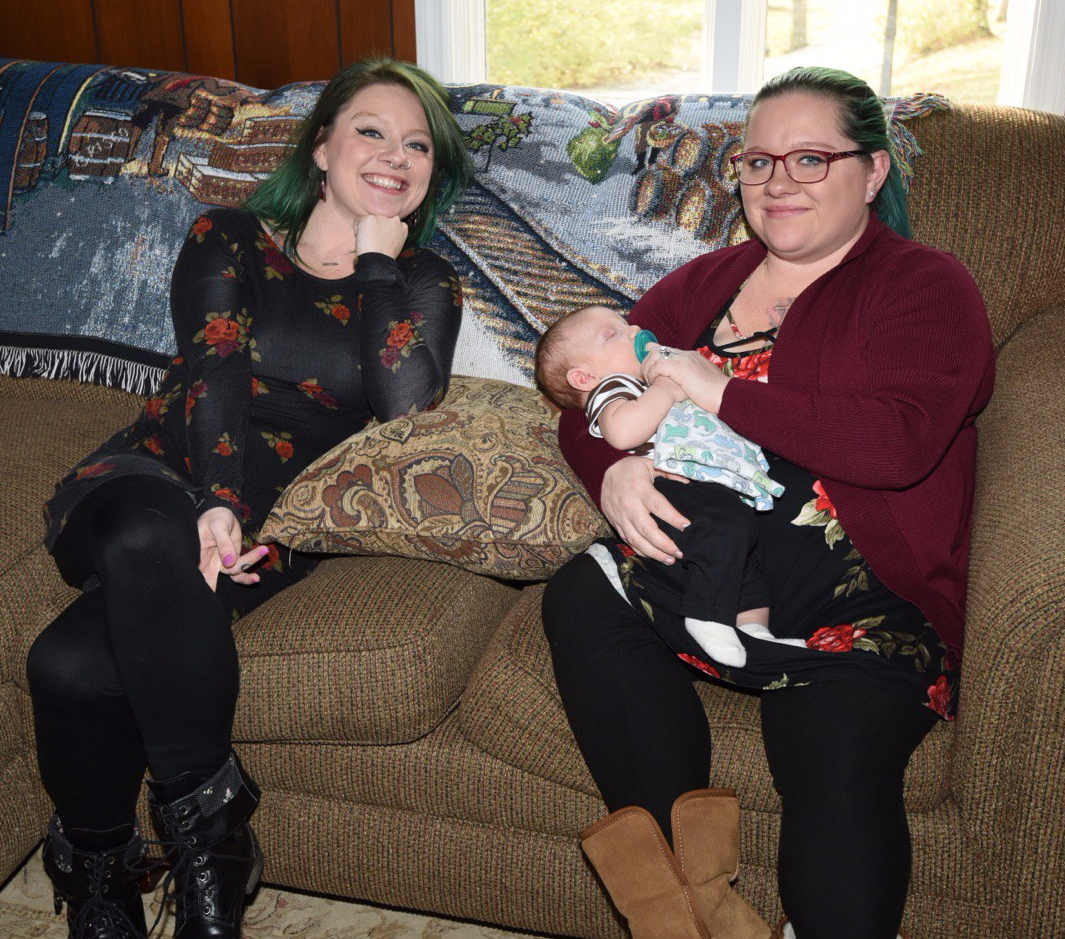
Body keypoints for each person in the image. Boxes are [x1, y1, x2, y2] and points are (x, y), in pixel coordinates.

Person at [542, 66, 994, 939]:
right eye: (757, 161)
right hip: (708, 572)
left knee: (827, 746)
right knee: (582, 593)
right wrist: (613, 472)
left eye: (810, 158)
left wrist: (717, 390)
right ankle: (689, 911)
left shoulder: (924, 286)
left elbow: (898, 443)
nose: (777, 181)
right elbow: (582, 392)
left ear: (872, 170)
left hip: (864, 601)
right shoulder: (699, 286)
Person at [28, 58, 472, 939]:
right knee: (146, 538)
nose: (395, 155)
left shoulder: (422, 280)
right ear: (321, 149)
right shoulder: (228, 235)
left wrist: (376, 263)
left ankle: (101, 880)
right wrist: (216, 499)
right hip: (154, 475)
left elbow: (405, 414)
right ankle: (213, 841)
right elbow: (216, 366)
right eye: (371, 132)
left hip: (277, 522)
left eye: (417, 145)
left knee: (69, 665)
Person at [534, 303, 802, 668]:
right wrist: (665, 388)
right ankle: (707, 616)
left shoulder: (641, 384)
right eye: (613, 334)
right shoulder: (612, 388)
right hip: (669, 484)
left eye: (627, 325)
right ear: (584, 378)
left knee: (746, 556)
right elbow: (623, 432)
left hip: (704, 482)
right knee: (724, 531)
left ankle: (753, 632)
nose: (634, 331)